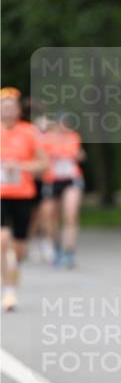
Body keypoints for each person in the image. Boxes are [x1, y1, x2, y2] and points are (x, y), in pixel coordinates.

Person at [0, 88, 48, 310]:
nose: (8, 111)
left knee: (18, 249)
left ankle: (12, 281)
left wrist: (20, 166)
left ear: (18, 110)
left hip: (23, 195)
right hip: (1, 196)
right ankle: (8, 292)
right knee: (2, 240)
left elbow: (43, 166)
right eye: (4, 107)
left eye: (12, 107)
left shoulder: (29, 132)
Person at [40, 115, 86, 267]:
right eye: (63, 123)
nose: (66, 127)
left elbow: (79, 154)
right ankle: (56, 248)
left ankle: (69, 251)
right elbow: (41, 155)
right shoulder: (47, 138)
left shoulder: (73, 137)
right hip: (52, 180)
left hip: (71, 179)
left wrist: (76, 155)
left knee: (71, 214)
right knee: (51, 217)